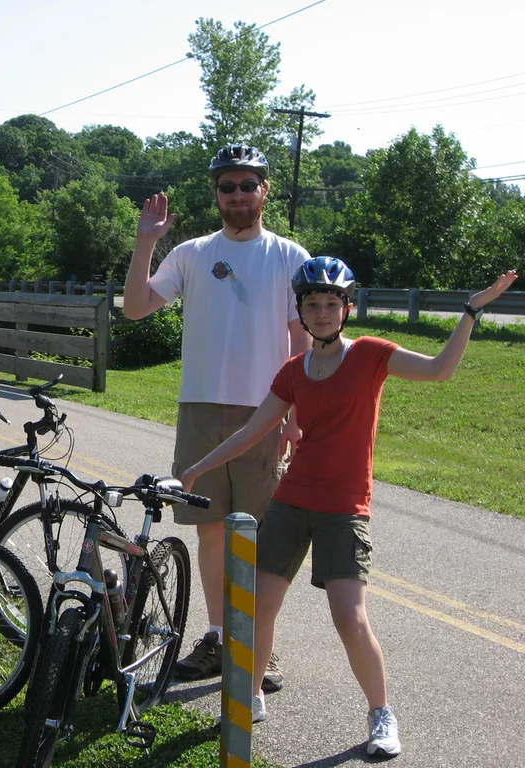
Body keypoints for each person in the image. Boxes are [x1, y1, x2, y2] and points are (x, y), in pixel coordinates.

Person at [177, 256, 519, 757]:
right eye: (312, 304)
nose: (321, 312)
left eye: (331, 304)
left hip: (344, 508)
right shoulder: (294, 371)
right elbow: (256, 430)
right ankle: (248, 697)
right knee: (259, 606)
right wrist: (197, 468)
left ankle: (381, 715)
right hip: (292, 501)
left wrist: (471, 309)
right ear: (301, 311)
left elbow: (441, 371)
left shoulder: (372, 356)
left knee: (349, 617)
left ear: (347, 309)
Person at [123, 144, 312, 691]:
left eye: (247, 186)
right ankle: (215, 637)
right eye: (227, 187)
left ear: (264, 191)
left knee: (253, 534)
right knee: (210, 530)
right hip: (201, 408)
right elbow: (136, 308)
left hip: (267, 410)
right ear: (216, 194)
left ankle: (255, 643)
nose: (237, 196)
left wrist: (295, 416)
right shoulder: (191, 253)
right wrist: (145, 243)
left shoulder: (288, 256)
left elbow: (300, 339)